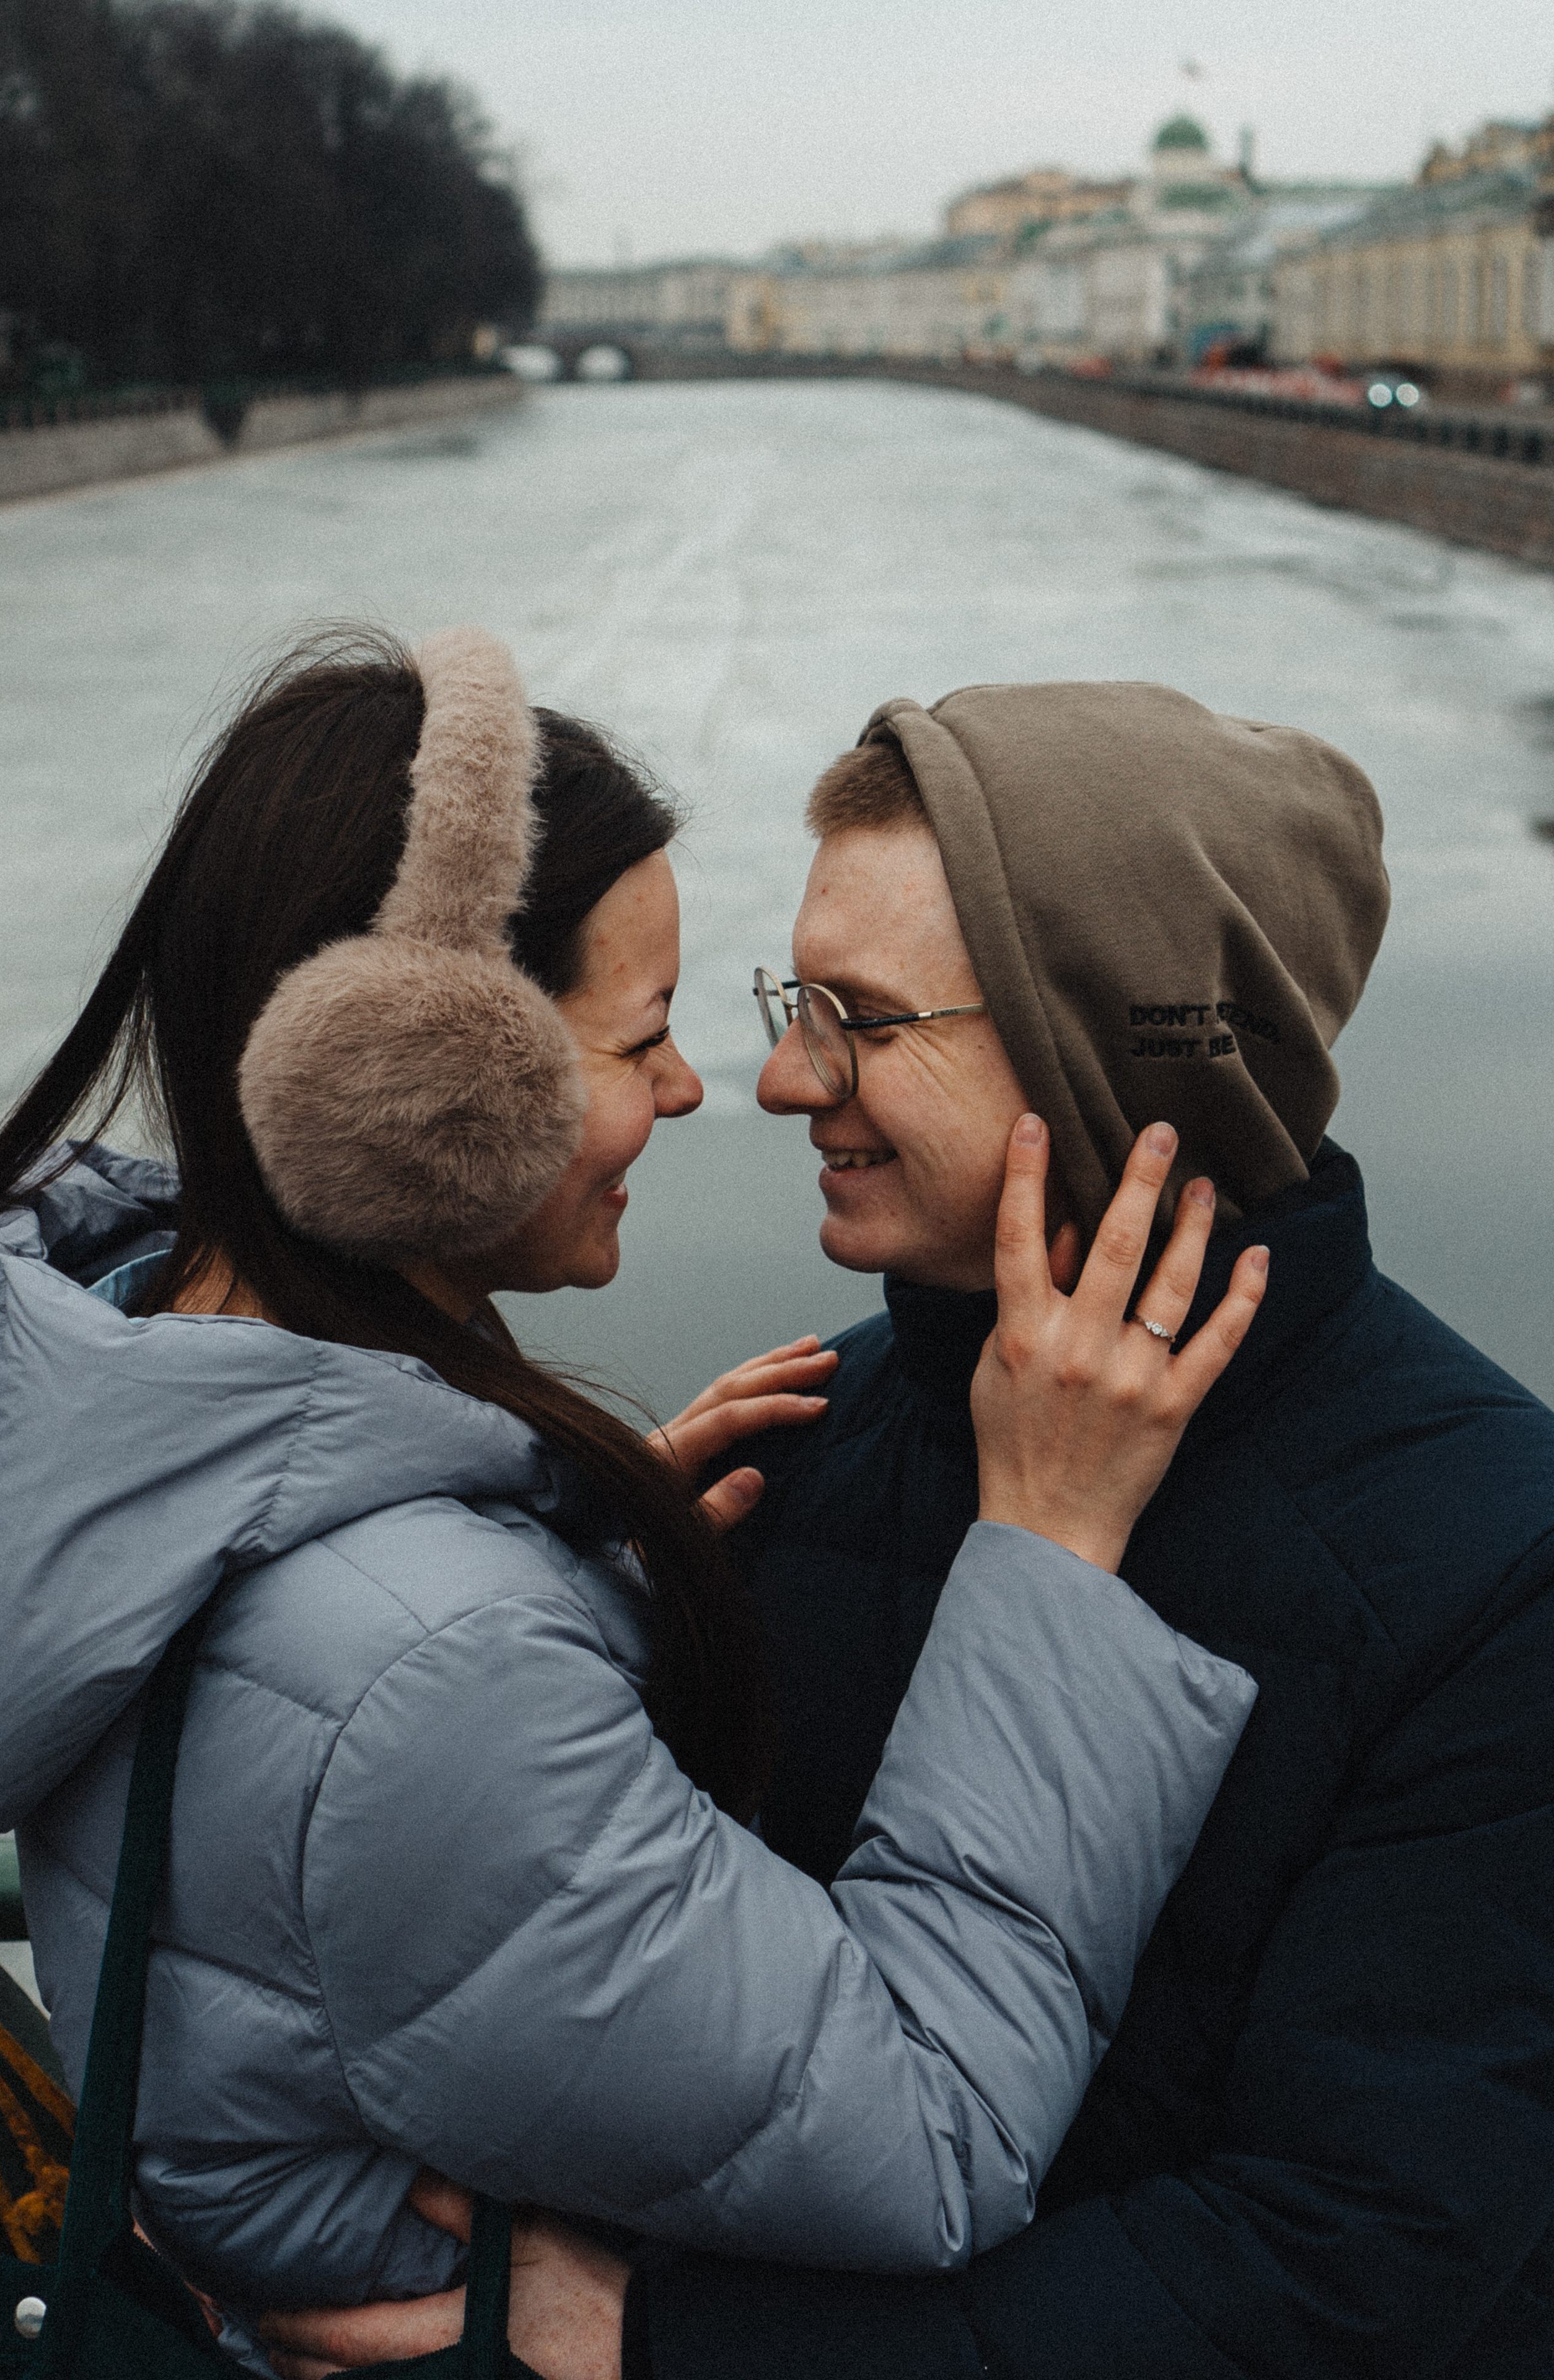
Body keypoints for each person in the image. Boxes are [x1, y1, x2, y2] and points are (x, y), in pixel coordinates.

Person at [0, 634, 1265, 2374]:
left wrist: (569, 1533)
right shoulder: (432, 1665)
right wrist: (1047, 1550)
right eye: (644, 1036)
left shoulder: (123, 1373)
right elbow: (931, 2131)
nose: (695, 1087)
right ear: (417, 1085)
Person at [295, 679, 1554, 2380]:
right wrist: (581, 1572)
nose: (781, 1078)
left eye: (862, 1020)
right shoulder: (800, 1432)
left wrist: (672, 2346)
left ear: (1116, 1051)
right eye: (791, 1001)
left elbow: (1353, 2257)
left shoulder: (1501, 1563)